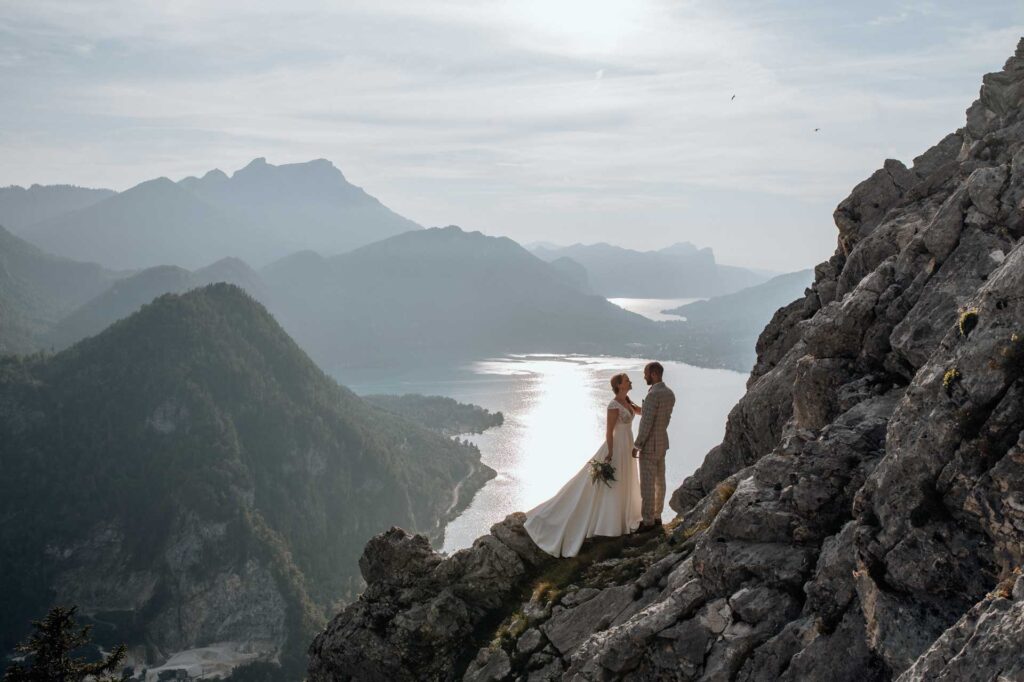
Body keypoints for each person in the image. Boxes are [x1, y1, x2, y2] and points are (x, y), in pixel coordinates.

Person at [523, 372, 643, 557]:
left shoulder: (627, 401)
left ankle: (620, 520)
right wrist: (610, 452)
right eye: (627, 380)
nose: (630, 381)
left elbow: (641, 411)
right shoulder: (613, 405)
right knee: (611, 482)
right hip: (617, 447)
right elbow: (609, 432)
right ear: (619, 385)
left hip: (627, 445)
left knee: (623, 481)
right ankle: (607, 523)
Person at [632, 362, 676, 531]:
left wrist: (637, 445)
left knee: (647, 485)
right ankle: (658, 517)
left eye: (646, 373)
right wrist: (639, 408)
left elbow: (646, 424)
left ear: (654, 373)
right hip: (662, 444)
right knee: (660, 482)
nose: (644, 376)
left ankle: (648, 521)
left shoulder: (652, 396)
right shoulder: (670, 394)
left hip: (649, 447)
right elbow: (662, 418)